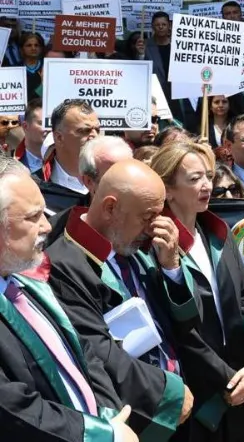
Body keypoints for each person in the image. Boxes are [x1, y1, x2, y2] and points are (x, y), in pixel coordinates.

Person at [45, 161, 194, 440]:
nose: (154, 227)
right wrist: (167, 391)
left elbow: (187, 321)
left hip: (180, 402)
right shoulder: (64, 263)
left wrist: (171, 266)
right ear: (110, 207)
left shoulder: (142, 244)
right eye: (147, 216)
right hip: (135, 414)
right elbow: (95, 348)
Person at [0, 157, 141, 441]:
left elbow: (83, 353)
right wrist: (100, 435)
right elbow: (10, 407)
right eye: (32, 217)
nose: (47, 227)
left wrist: (109, 415)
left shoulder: (28, 284)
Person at [149, 142, 244, 442]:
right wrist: (227, 379)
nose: (207, 185)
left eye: (208, 176)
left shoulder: (218, 233)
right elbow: (178, 330)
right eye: (194, 179)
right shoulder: (153, 247)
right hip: (202, 399)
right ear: (168, 188)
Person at [46, 135, 134, 247]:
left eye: (131, 173)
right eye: (117, 177)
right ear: (89, 181)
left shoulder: (150, 222)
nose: (129, 182)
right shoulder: (60, 232)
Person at [40, 99, 100, 194]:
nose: (95, 136)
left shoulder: (110, 180)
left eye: (97, 130)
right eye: (85, 131)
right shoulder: (36, 185)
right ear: (59, 138)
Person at [16, 98, 45, 173]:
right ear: (25, 126)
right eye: (42, 123)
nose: (49, 128)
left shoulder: (68, 161)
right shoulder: (10, 162)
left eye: (51, 123)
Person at [21, 32, 45, 100]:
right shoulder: (15, 69)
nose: (33, 48)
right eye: (29, 45)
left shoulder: (46, 67)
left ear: (41, 48)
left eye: (36, 45)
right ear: (22, 48)